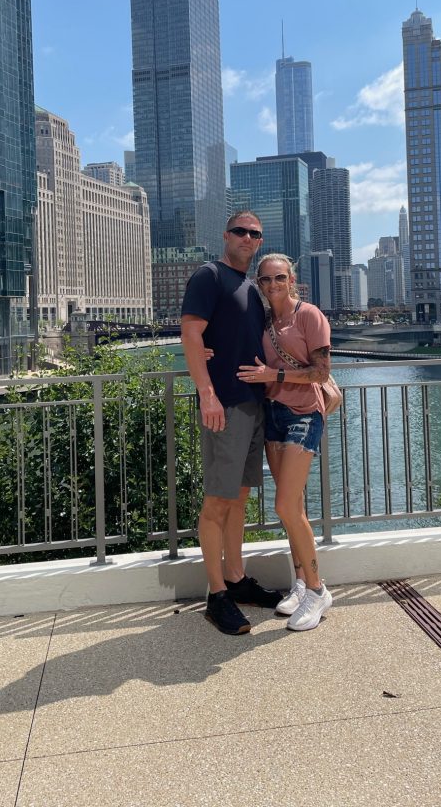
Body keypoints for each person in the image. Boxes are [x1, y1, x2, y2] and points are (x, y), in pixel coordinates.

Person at [180, 211, 283, 636]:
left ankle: (237, 579)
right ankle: (216, 594)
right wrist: (207, 393)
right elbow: (190, 333)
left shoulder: (252, 288)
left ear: (260, 242)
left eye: (254, 233)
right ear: (226, 236)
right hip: (224, 404)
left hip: (253, 404)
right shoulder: (210, 276)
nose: (247, 237)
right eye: (240, 231)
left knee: (239, 498)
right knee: (217, 501)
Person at [236, 254, 333, 632]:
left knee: (284, 506)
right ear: (259, 284)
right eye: (266, 279)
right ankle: (299, 582)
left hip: (303, 415)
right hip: (273, 415)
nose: (273, 284)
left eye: (280, 277)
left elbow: (321, 371)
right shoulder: (265, 321)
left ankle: (317, 590)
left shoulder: (309, 315)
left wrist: (272, 374)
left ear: (291, 279)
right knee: (293, 508)